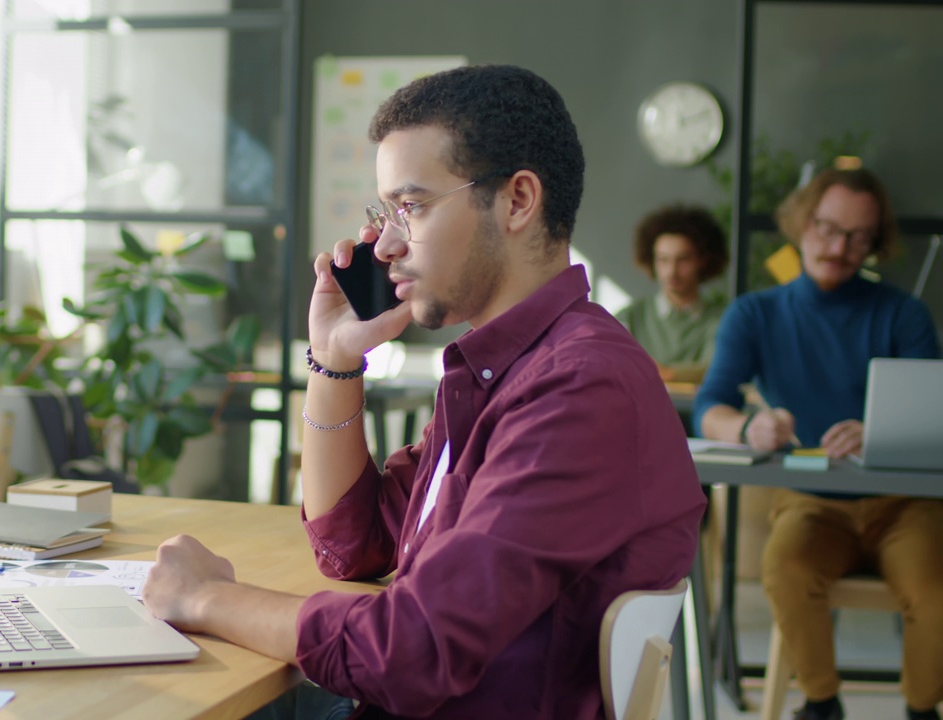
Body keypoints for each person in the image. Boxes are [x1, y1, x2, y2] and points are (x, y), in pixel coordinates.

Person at [141, 65, 706, 719]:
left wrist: (206, 598)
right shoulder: (505, 370)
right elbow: (353, 547)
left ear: (518, 200)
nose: (387, 244)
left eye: (411, 206)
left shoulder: (577, 389)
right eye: (385, 213)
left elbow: (411, 651)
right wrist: (334, 359)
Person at [693, 167, 943, 720]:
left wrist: (879, 432)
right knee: (785, 569)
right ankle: (822, 704)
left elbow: (933, 415)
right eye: (828, 228)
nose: (839, 247)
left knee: (937, 594)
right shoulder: (755, 313)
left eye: (858, 237)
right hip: (810, 500)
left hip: (906, 508)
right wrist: (746, 428)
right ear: (801, 225)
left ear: (875, 243)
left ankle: (923, 709)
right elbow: (710, 405)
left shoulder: (904, 314)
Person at [614, 203, 729, 384]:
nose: (672, 271)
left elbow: (716, 369)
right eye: (663, 260)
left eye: (683, 260)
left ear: (703, 261)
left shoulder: (722, 319)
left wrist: (663, 373)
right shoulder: (630, 316)